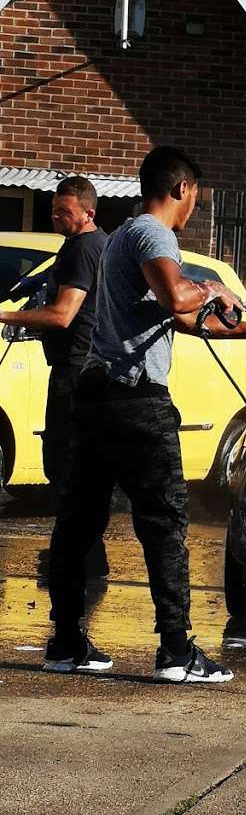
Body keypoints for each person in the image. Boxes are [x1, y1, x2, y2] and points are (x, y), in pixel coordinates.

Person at [42, 146, 246, 683]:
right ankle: (177, 652)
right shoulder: (153, 235)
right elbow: (177, 296)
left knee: (79, 524)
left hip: (96, 399)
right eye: (195, 201)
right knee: (165, 524)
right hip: (137, 404)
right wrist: (215, 288)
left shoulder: (120, 237)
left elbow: (187, 321)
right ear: (181, 189)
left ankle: (66, 644)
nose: (193, 212)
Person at [0, 177, 110, 576]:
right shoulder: (83, 245)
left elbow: (63, 315)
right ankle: (82, 555)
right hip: (76, 367)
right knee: (69, 468)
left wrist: (7, 315)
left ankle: (82, 560)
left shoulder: (84, 250)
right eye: (53, 209)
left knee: (66, 467)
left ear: (88, 214)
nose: (55, 216)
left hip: (76, 370)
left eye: (64, 211)